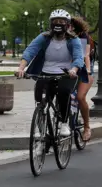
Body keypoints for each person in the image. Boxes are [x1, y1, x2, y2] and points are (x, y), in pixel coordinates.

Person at [15, 9, 84, 137]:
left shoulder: (74, 40)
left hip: (66, 74)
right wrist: (21, 68)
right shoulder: (44, 38)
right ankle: (42, 129)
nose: (58, 24)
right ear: (50, 24)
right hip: (46, 72)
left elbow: (78, 58)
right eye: (55, 21)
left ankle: (64, 123)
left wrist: (74, 70)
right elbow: (30, 51)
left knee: (64, 92)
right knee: (39, 98)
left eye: (61, 21)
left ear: (68, 25)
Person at [69, 16, 94, 141]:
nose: (69, 28)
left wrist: (88, 70)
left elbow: (86, 55)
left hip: (84, 68)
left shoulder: (83, 36)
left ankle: (87, 127)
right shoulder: (61, 36)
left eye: (71, 26)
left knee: (80, 97)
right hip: (69, 67)